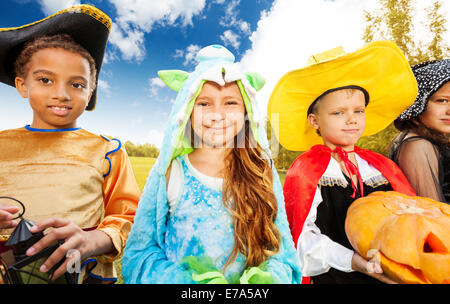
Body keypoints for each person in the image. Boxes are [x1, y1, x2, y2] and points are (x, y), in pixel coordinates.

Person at [121, 45, 302, 284]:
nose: (217, 114)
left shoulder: (261, 172)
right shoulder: (171, 173)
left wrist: (268, 279)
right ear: (187, 110)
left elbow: (284, 254)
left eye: (230, 103)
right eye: (204, 103)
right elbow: (139, 254)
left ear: (247, 110)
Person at [0, 5, 140, 283]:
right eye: (45, 80)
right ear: (22, 84)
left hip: (82, 274)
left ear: (90, 92)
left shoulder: (107, 150)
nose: (61, 94)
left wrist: (93, 241)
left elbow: (129, 218)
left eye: (77, 84)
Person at [267, 41, 417, 284]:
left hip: (388, 274)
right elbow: (303, 239)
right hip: (336, 277)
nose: (351, 120)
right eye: (338, 113)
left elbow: (410, 219)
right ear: (315, 121)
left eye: (359, 111)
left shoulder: (379, 167)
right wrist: (353, 261)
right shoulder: (306, 170)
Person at [390, 59, 450, 203]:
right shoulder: (417, 146)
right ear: (419, 103)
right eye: (442, 101)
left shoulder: (432, 142)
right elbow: (431, 218)